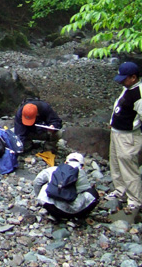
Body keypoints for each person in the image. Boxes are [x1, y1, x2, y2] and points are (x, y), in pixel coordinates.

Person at [107, 62, 142, 211]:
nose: (121, 81)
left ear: (133, 77)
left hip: (128, 137)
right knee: (115, 164)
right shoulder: (127, 88)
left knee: (129, 168)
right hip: (117, 133)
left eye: (124, 78)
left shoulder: (139, 94)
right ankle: (120, 191)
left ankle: (135, 199)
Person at [33, 152, 99, 220]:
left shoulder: (53, 169)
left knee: (48, 183)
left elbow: (37, 181)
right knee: (93, 193)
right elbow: (84, 190)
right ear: (82, 167)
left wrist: (38, 197)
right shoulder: (81, 174)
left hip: (47, 204)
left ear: (65, 162)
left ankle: (53, 212)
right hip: (66, 211)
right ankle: (78, 216)